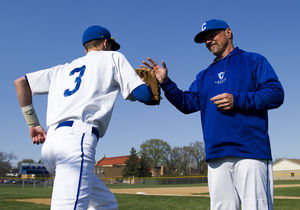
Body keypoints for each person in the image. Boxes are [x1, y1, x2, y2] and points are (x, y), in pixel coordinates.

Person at [142, 19, 284, 210]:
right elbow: (187, 103)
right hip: (216, 155)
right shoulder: (204, 75)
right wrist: (166, 82)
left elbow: (276, 94)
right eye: (205, 39)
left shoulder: (253, 60)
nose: (208, 41)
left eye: (212, 35)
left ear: (228, 32)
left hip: (251, 152)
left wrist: (238, 100)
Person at [15, 25, 154, 210]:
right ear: (106, 43)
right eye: (111, 45)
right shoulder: (113, 57)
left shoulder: (62, 70)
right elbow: (145, 95)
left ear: (85, 49)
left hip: (51, 147)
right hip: (76, 142)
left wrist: (33, 123)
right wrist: (155, 82)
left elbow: (21, 82)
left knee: (106, 204)